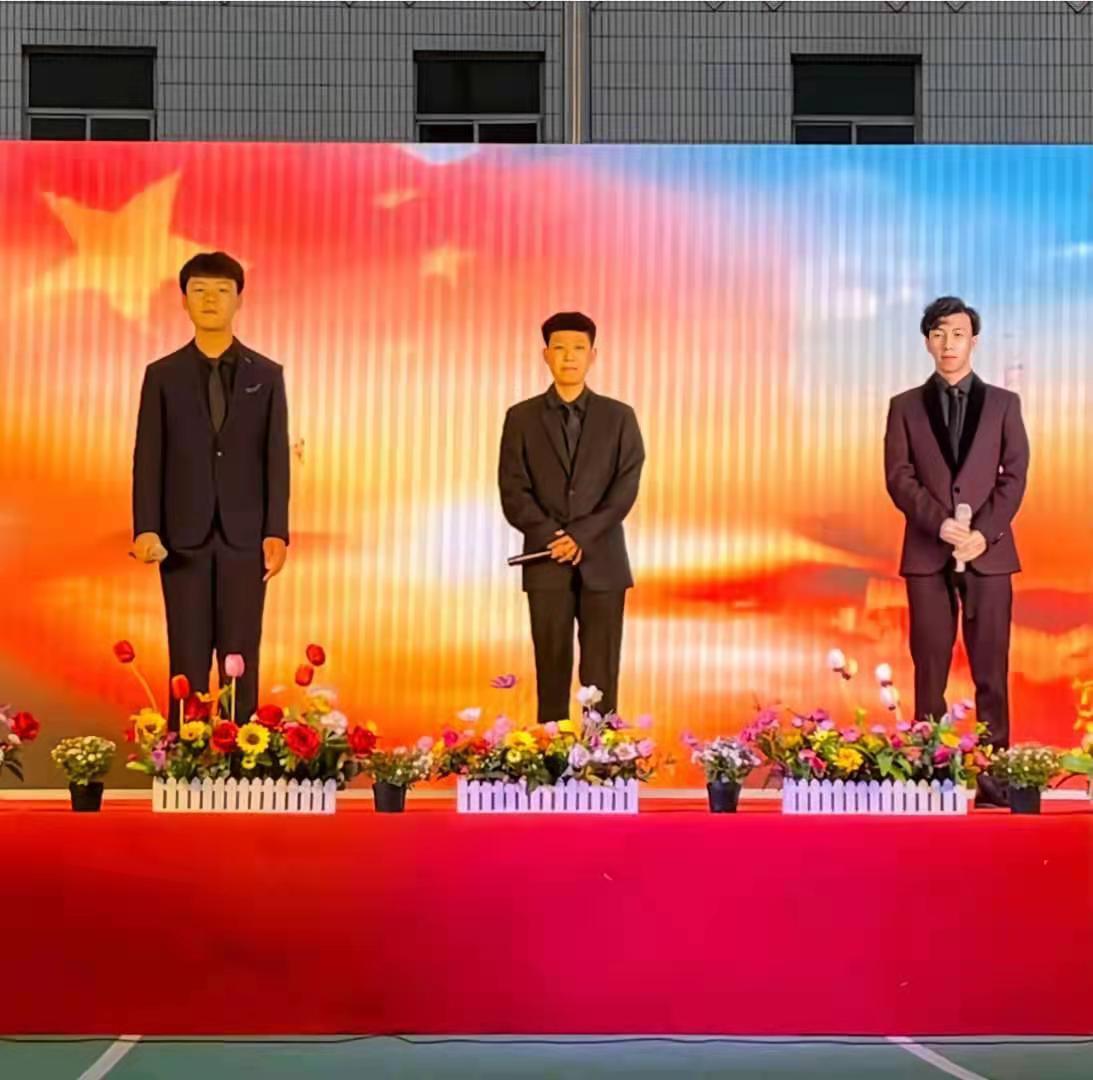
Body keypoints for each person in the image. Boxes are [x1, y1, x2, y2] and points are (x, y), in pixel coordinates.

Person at [131, 251, 289, 727]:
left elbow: (275, 459)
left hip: (246, 537)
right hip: (181, 540)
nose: (210, 300)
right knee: (187, 653)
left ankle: (242, 753)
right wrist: (146, 528)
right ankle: (183, 753)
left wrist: (276, 531)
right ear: (184, 301)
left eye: (222, 291)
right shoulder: (162, 375)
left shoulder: (267, 375)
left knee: (241, 654)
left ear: (239, 299)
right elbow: (148, 458)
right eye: (199, 290)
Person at [884, 296, 1029, 806]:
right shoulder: (904, 406)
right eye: (939, 333)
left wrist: (981, 533)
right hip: (927, 554)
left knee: (991, 670)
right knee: (929, 669)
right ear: (927, 341)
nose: (949, 343)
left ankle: (995, 780)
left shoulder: (1005, 404)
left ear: (974, 341)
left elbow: (1014, 476)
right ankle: (931, 776)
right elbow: (898, 477)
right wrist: (940, 524)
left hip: (990, 555)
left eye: (958, 333)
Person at [498, 311, 644, 724]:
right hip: (546, 562)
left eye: (579, 348)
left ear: (593, 355)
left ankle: (600, 755)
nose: (569, 356)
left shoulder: (620, 417)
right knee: (551, 667)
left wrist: (579, 536)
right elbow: (513, 490)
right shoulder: (521, 418)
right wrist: (554, 537)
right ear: (545, 354)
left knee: (602, 673)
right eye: (559, 348)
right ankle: (551, 754)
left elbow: (624, 489)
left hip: (604, 562)